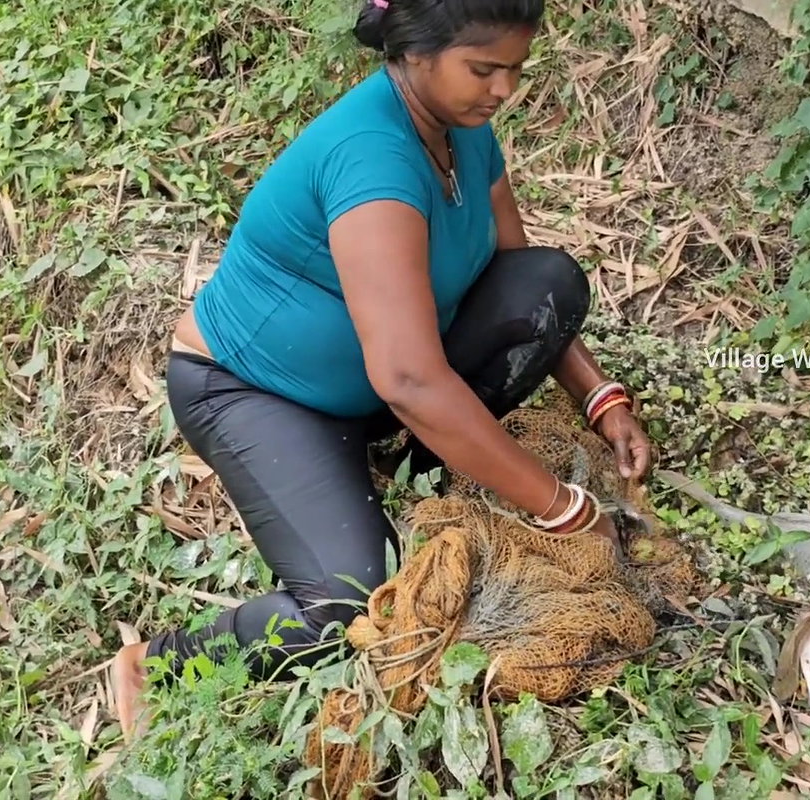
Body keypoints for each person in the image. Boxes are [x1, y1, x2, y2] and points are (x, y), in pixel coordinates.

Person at [112, 0, 654, 740]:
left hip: (377, 388)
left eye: (515, 72)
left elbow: (513, 268)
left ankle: (416, 455)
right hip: (258, 393)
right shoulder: (373, 159)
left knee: (547, 283)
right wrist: (558, 505)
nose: (504, 91)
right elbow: (408, 378)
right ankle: (163, 664)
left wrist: (600, 398)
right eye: (484, 70)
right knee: (347, 603)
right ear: (416, 52)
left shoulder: (464, 132)